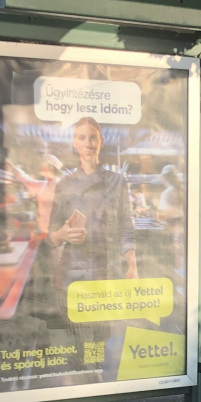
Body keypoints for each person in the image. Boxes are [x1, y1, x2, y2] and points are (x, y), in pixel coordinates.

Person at [48, 116, 138, 288]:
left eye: (93, 138)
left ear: (101, 142)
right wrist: (61, 235)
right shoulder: (64, 185)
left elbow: (127, 229)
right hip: (74, 275)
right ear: (75, 142)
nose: (88, 144)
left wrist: (132, 266)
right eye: (82, 138)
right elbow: (51, 236)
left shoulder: (117, 182)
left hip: (109, 274)